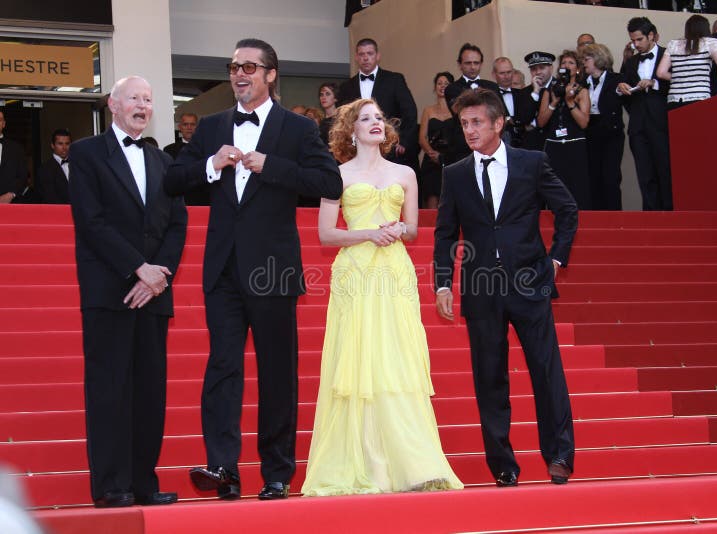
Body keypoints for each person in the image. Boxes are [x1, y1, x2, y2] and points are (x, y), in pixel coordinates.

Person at [165, 38, 342, 501]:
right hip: (222, 268)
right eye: (233, 66)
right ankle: (224, 468)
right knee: (222, 368)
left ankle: (277, 473)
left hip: (273, 268)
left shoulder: (297, 130)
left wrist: (272, 166)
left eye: (249, 66)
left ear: (270, 74)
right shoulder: (210, 126)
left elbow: (329, 181)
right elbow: (172, 180)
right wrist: (209, 164)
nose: (239, 73)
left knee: (277, 372)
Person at [302, 98, 463, 496]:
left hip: (393, 270)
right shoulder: (333, 173)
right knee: (358, 360)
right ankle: (363, 462)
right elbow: (326, 234)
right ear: (350, 130)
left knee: (396, 357)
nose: (375, 123)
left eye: (379, 118)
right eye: (365, 118)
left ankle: (414, 463)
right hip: (355, 273)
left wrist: (396, 229)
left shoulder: (406, 173)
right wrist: (369, 233)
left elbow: (413, 229)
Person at [434, 88, 577, 488]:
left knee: (547, 372)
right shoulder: (456, 173)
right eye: (464, 123)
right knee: (489, 378)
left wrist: (556, 259)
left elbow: (566, 209)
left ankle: (560, 455)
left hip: (530, 282)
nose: (470, 130)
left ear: (498, 123)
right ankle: (502, 464)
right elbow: (445, 233)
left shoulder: (532, 163)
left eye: (477, 122)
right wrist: (443, 282)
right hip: (481, 288)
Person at [69, 75, 187, 508]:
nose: (143, 104)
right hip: (110, 289)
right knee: (110, 388)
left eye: (149, 99)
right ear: (112, 105)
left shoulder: (162, 160)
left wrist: (160, 274)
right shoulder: (86, 153)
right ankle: (111, 485)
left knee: (149, 391)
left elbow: (178, 222)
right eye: (134, 98)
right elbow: (91, 221)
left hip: (155, 292)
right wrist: (137, 268)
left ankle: (142, 483)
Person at [337, 38, 418, 171]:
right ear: (356, 57)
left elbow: (410, 111)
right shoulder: (346, 87)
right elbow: (343, 119)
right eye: (362, 54)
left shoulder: (394, 80)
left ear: (377, 56)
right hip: (357, 150)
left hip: (389, 148)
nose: (366, 58)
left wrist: (403, 141)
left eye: (370, 53)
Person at [618, 16, 672, 210]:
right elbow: (624, 95)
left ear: (652, 36)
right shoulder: (630, 62)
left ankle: (670, 216)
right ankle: (651, 218)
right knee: (645, 174)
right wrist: (621, 87)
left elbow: (677, 86)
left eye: (639, 39)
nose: (635, 44)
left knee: (666, 172)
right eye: (633, 40)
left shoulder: (669, 54)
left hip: (663, 124)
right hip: (638, 127)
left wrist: (655, 83)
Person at [537, 50, 592, 210]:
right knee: (554, 186)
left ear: (577, 69)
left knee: (577, 186)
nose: (566, 66)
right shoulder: (550, 90)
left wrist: (570, 102)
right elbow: (541, 121)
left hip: (575, 145)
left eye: (571, 63)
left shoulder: (582, 91)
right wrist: (554, 103)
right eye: (563, 63)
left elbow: (584, 122)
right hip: (554, 145)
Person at [582, 44, 625, 210]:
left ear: (598, 59)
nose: (584, 63)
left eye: (587, 59)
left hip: (610, 132)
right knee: (593, 177)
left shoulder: (617, 79)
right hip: (589, 131)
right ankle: (596, 219)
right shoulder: (581, 83)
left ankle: (615, 219)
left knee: (611, 177)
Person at [656, 14, 717, 108]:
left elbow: (661, 73)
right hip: (699, 96)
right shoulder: (710, 42)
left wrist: (681, 77)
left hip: (674, 99)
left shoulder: (673, 44)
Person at [418, 72, 454, 209]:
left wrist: (444, 157)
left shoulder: (456, 110)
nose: (442, 86)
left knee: (449, 200)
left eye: (446, 84)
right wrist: (432, 153)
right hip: (431, 160)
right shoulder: (428, 110)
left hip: (451, 158)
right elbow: (422, 137)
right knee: (431, 199)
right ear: (435, 87)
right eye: (439, 83)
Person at [492, 57, 532, 148]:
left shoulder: (522, 93)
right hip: (501, 144)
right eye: (502, 73)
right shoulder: (491, 96)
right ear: (494, 75)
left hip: (524, 143)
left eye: (509, 72)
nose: (506, 76)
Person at [521, 51, 556, 152]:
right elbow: (523, 119)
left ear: (551, 68)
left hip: (554, 141)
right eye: (533, 69)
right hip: (533, 146)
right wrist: (535, 92)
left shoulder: (559, 88)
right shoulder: (525, 92)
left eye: (542, 68)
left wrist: (534, 123)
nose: (538, 72)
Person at [37, 128, 71, 204]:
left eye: (67, 143)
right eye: (60, 144)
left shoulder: (78, 165)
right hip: (59, 212)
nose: (64, 148)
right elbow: (49, 198)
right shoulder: (45, 169)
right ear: (52, 145)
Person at [0, 110, 27, 204]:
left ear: (3, 124)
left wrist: (11, 194)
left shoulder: (16, 149)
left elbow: (23, 176)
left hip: (10, 204)